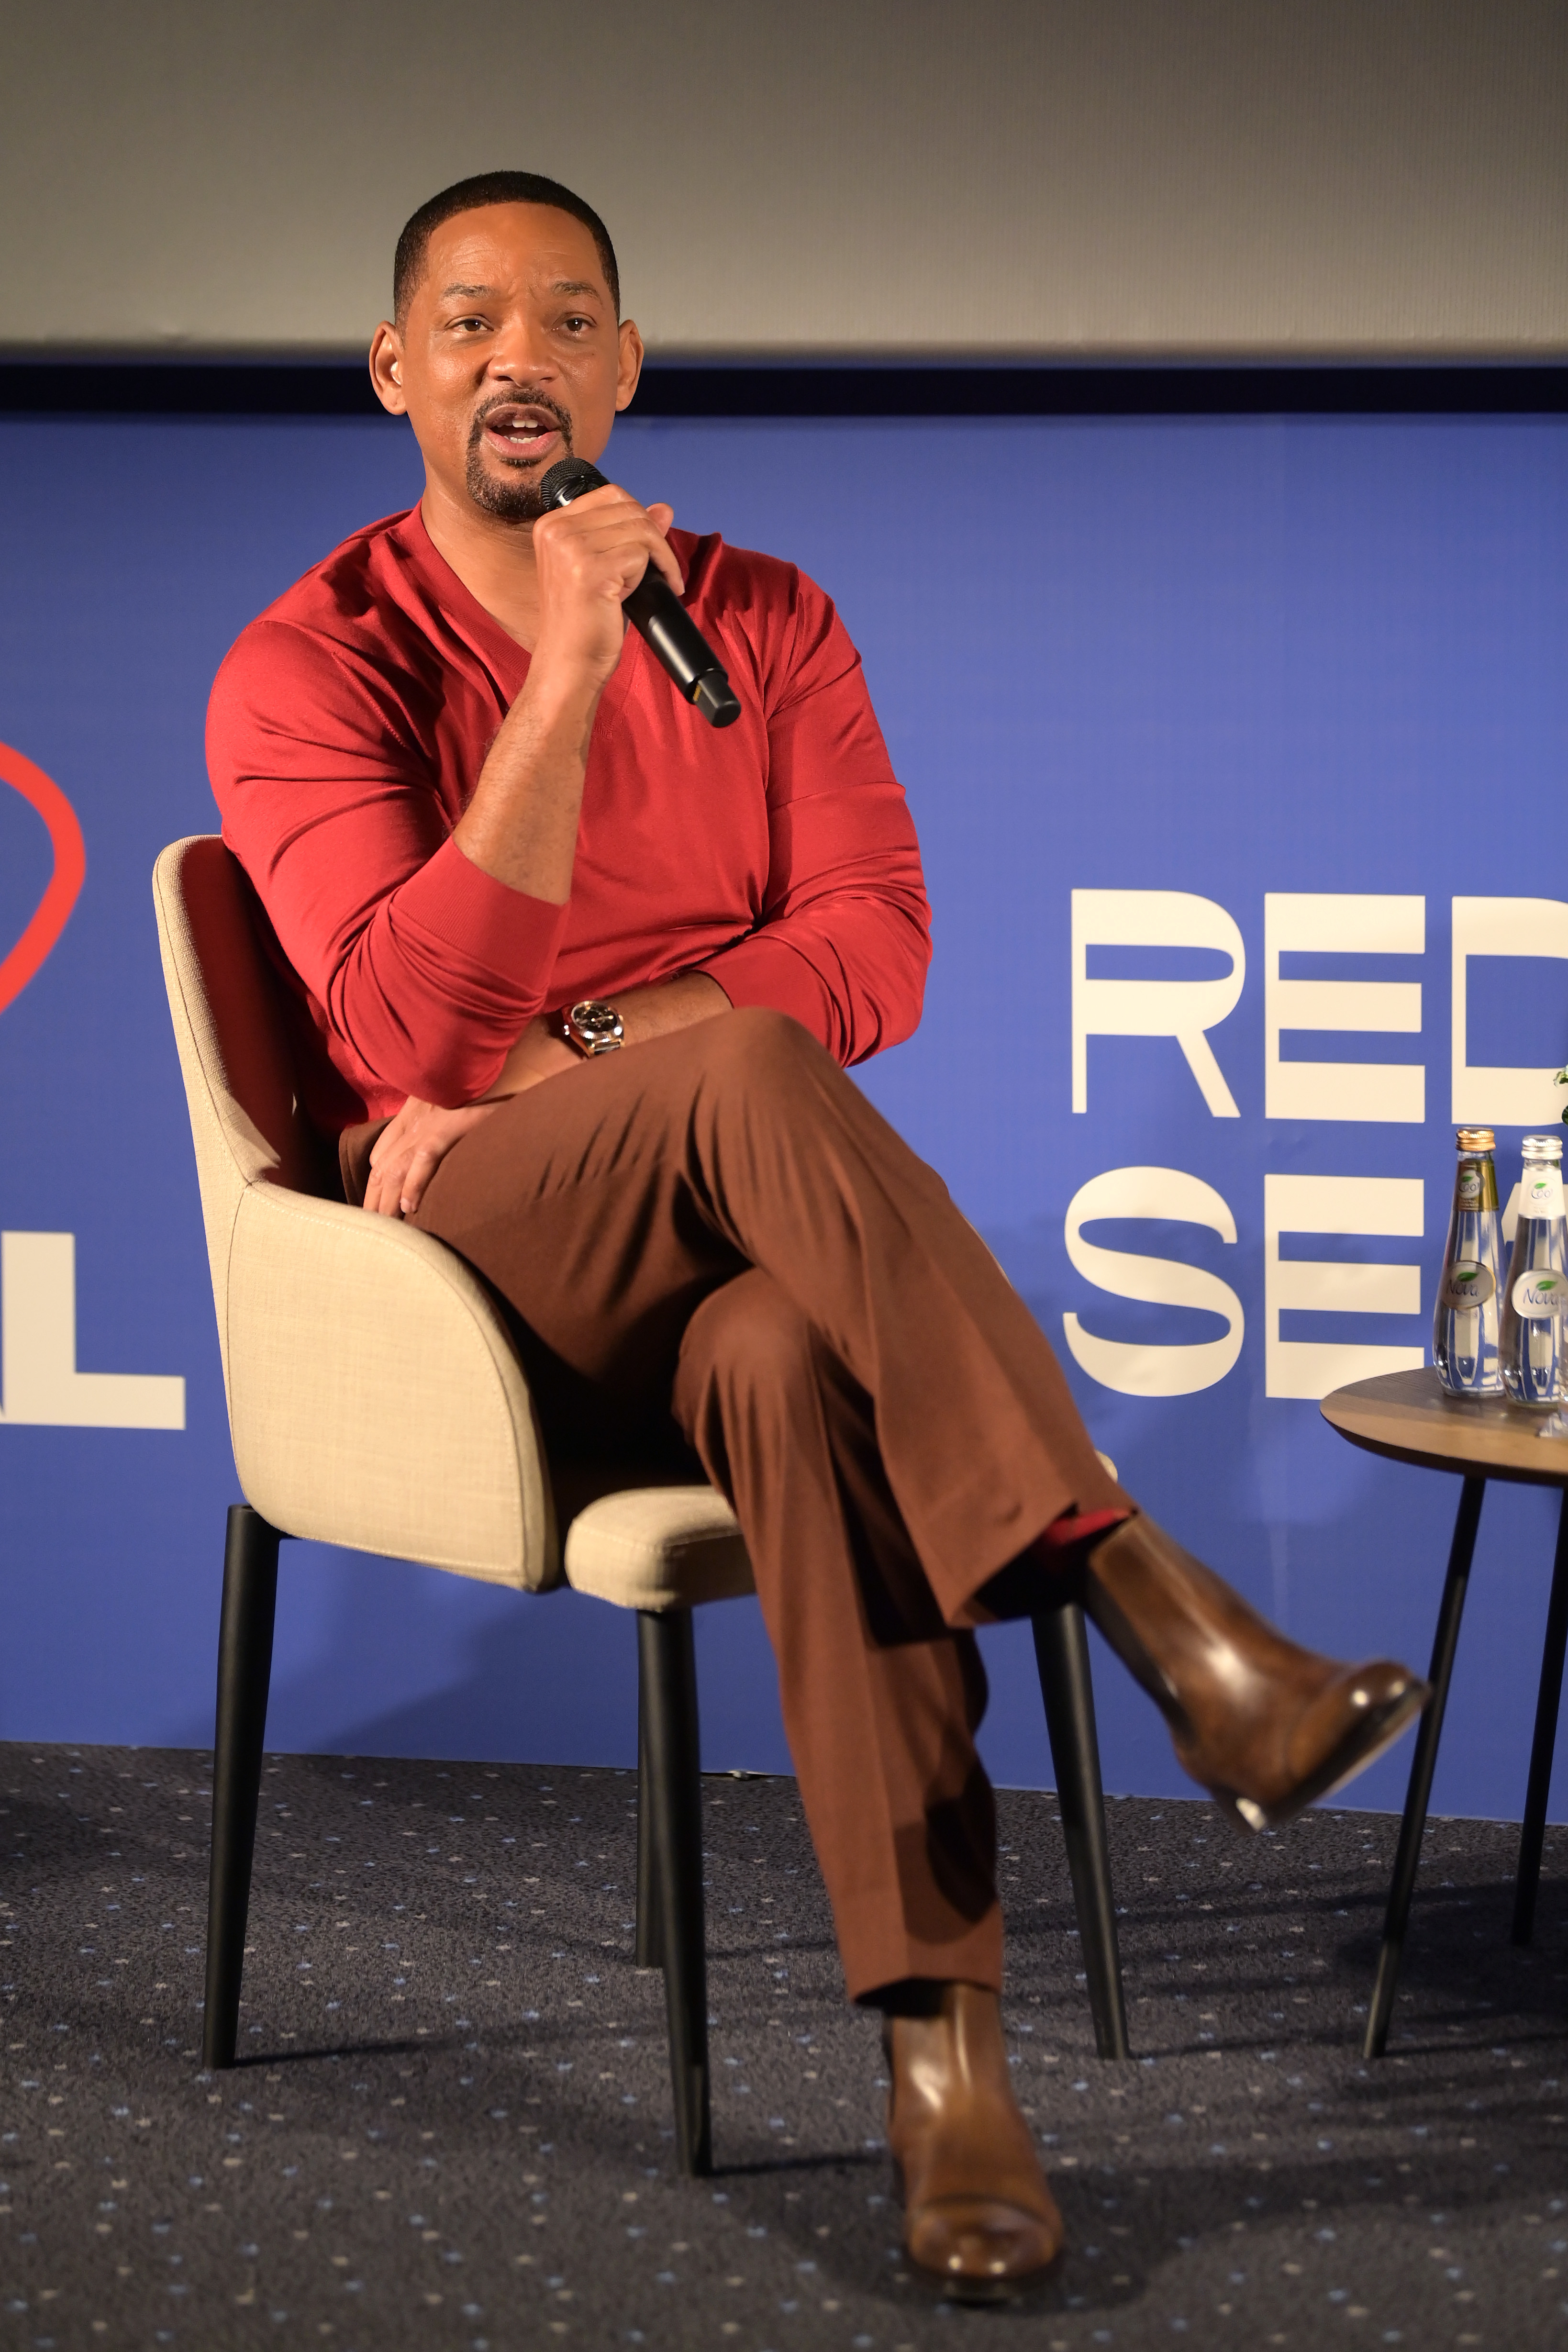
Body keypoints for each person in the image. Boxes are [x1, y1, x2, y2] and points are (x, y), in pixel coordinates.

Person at [207, 171, 1428, 2297]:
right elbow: (406, 1031)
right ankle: (1157, 1607)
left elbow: (876, 951)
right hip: (473, 1270)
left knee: (789, 1351)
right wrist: (571, 675)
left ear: (626, 367)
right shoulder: (312, 659)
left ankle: (945, 2067)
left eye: (569, 320)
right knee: (766, 1075)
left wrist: (597, 1027)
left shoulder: (763, 617)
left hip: (717, 1222)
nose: (523, 358)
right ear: (397, 370)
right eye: (472, 322)